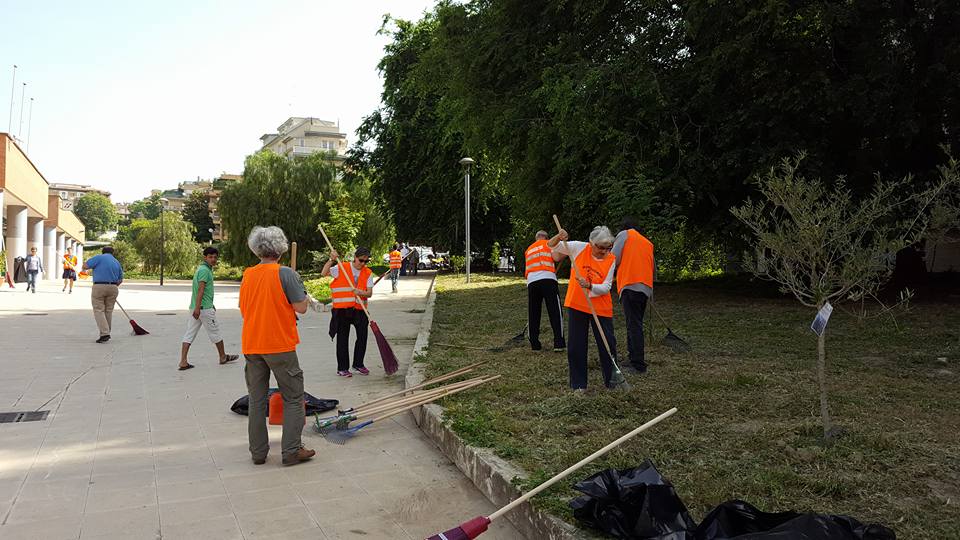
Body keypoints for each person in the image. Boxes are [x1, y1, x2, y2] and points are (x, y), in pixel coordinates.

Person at [239, 226, 314, 467]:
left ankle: (258, 453)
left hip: (252, 343)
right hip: (279, 344)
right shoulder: (285, 274)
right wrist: (300, 290)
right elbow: (301, 307)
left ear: (256, 249)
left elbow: (244, 308)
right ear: (280, 249)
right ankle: (291, 450)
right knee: (293, 397)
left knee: (257, 399)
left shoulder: (248, 275)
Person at [551, 226, 619, 391]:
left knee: (607, 343)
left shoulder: (611, 259)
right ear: (591, 243)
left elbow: (606, 286)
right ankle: (579, 385)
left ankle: (612, 380)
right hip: (577, 304)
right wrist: (559, 237)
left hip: (601, 307)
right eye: (600, 247)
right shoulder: (579, 248)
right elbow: (551, 246)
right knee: (576, 345)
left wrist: (589, 285)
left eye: (607, 247)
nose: (604, 251)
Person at [178, 247, 239, 371]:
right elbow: (201, 289)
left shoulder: (201, 269)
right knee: (215, 333)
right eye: (210, 257)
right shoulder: (205, 271)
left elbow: (204, 291)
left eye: (215, 257)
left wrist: (202, 306)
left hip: (198, 308)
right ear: (205, 257)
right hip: (203, 309)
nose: (213, 259)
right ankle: (223, 357)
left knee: (189, 334)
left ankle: (183, 361)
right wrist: (198, 308)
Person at [322, 246, 375, 377]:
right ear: (355, 258)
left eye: (366, 261)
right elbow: (324, 273)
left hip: (359, 309)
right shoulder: (342, 267)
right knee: (342, 339)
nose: (363, 264)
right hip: (342, 310)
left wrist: (360, 292)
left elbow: (369, 293)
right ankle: (342, 368)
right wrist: (331, 260)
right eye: (361, 260)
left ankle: (358, 364)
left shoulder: (367, 273)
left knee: (362, 337)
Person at [613, 217, 656, 374]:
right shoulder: (646, 242)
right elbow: (653, 268)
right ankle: (633, 358)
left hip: (630, 284)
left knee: (634, 325)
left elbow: (613, 258)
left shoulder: (625, 235)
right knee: (635, 323)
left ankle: (638, 364)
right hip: (644, 287)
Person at [524, 230, 567, 352]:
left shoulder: (529, 249)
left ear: (536, 238)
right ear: (546, 237)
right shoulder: (549, 243)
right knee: (555, 311)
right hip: (548, 279)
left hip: (532, 282)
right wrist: (566, 253)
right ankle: (559, 343)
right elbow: (556, 257)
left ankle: (534, 344)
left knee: (534, 312)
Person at [83, 246, 123, 343]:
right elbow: (120, 280)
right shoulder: (117, 262)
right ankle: (106, 332)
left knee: (98, 310)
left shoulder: (98, 258)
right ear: (112, 253)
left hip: (99, 286)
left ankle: (105, 333)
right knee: (108, 311)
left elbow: (85, 266)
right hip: (113, 288)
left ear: (103, 252)